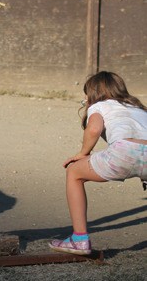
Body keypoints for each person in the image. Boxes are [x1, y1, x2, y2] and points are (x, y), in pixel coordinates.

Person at [49, 71, 147, 255]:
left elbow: (94, 129)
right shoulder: (138, 108)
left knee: (74, 173)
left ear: (92, 95)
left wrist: (82, 153)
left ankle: (79, 240)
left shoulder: (99, 105)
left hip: (123, 151)